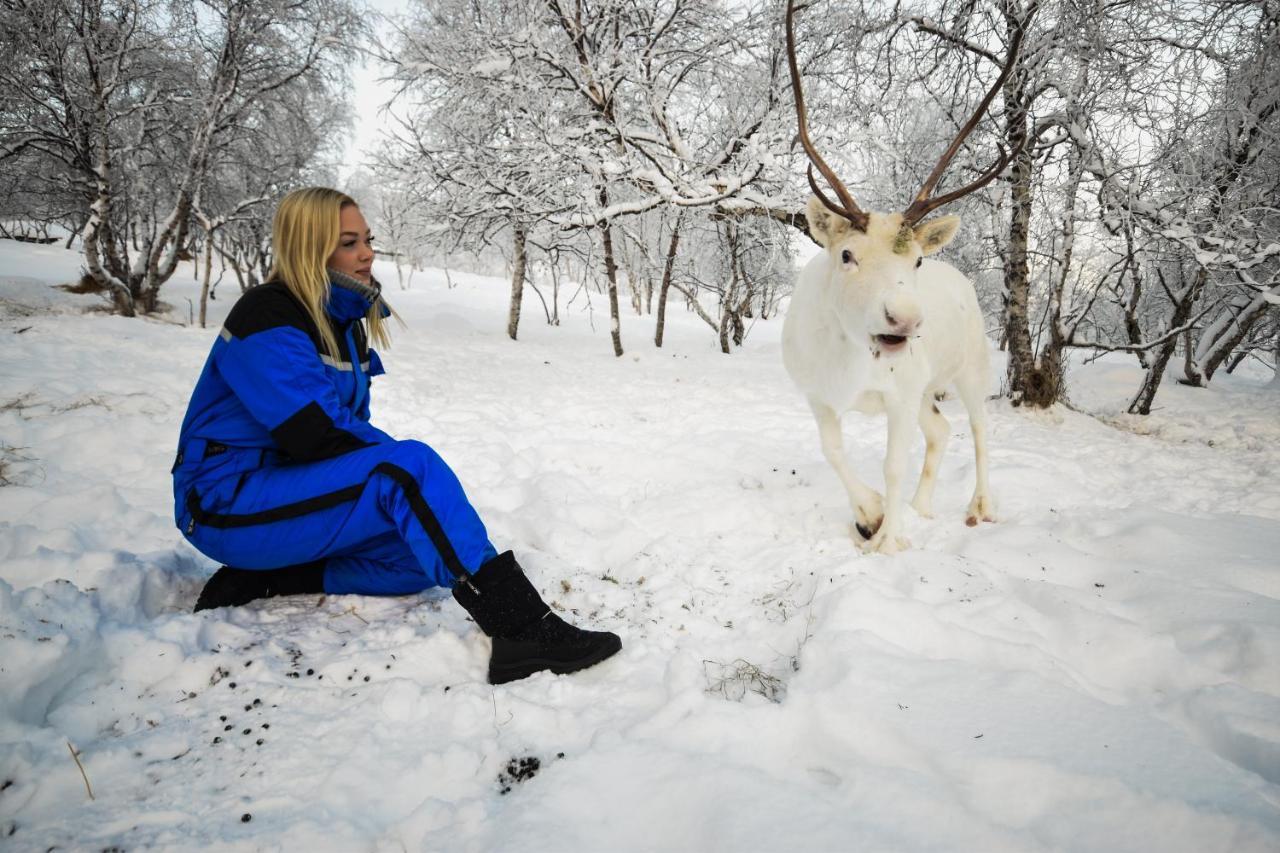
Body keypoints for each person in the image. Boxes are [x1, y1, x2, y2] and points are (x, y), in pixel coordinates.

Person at [172, 187, 621, 685]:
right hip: (223, 504)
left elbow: (345, 435)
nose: (366, 253)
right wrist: (411, 476)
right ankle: (521, 629)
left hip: (290, 501)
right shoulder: (269, 315)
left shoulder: (343, 322)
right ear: (309, 247)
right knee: (409, 470)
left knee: (420, 554)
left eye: (367, 239)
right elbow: (317, 436)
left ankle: (273, 576)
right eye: (349, 242)